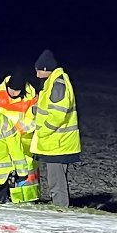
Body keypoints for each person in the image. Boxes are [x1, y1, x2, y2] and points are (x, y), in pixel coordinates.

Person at [31, 49, 81, 207]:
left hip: (58, 143)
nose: (36, 74)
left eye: (38, 70)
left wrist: (43, 131)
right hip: (57, 142)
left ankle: (60, 210)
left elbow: (57, 115)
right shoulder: (53, 82)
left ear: (45, 69)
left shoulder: (58, 84)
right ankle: (60, 207)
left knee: (56, 182)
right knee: (56, 180)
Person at [0, 67, 40, 203]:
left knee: (27, 177)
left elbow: (34, 120)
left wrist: (17, 129)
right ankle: (2, 199)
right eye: (11, 89)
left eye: (16, 91)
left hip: (24, 146)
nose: (12, 93)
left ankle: (26, 203)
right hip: (1, 142)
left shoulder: (32, 98)